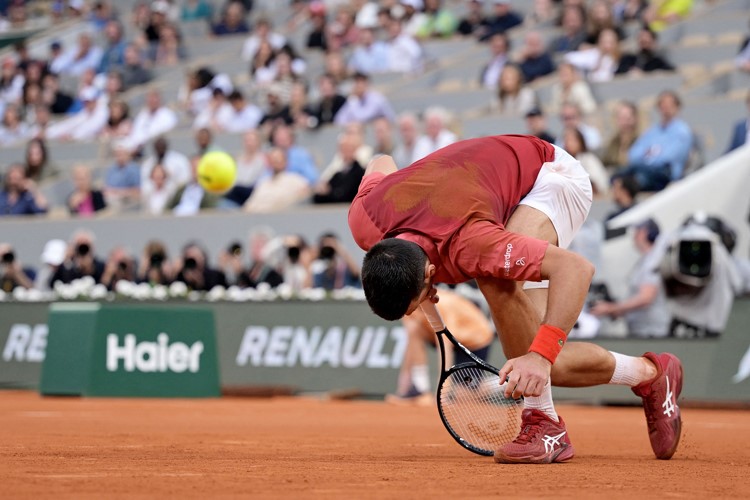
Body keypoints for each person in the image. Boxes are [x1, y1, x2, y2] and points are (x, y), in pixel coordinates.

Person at [348, 134, 684, 463]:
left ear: (428, 274)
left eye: (414, 304)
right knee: (549, 354)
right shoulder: (366, 218)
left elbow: (576, 270)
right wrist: (543, 353)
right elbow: (382, 161)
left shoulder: (471, 244)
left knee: (501, 288)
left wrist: (539, 357)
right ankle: (649, 374)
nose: (416, 311)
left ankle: (545, 425)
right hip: (485, 184)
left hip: (547, 176)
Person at [387, 288, 494, 405]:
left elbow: (445, 346)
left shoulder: (441, 305)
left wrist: (442, 394)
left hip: (475, 339)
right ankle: (420, 388)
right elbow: (411, 344)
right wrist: (403, 388)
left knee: (462, 396)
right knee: (414, 329)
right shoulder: (406, 306)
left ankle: (505, 384)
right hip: (444, 336)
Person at [590, 218, 670, 338]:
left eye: (637, 231)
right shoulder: (646, 260)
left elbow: (646, 298)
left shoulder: (652, 261)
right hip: (642, 330)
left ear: (644, 233)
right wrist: (615, 310)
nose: (634, 236)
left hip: (651, 332)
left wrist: (611, 308)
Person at [617, 90, 692, 191]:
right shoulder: (653, 131)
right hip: (644, 169)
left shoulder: (682, 131)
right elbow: (633, 154)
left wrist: (647, 158)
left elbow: (668, 159)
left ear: (677, 107)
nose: (666, 109)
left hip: (665, 175)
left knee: (635, 181)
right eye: (663, 106)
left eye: (669, 105)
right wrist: (649, 158)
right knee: (617, 177)